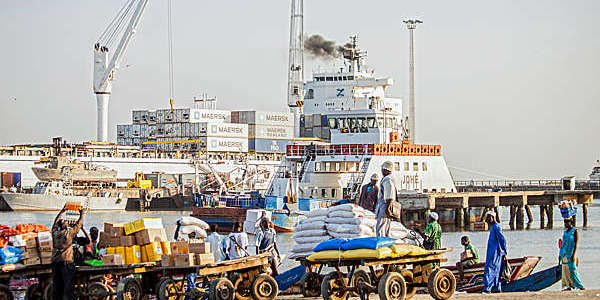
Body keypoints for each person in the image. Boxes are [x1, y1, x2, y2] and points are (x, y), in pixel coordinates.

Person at [51, 205, 85, 300]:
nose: (67, 222)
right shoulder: (69, 233)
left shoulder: (55, 233)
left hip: (55, 262)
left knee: (57, 287)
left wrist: (62, 211)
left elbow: (55, 223)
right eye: (65, 221)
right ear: (64, 225)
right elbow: (79, 224)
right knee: (68, 286)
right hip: (66, 262)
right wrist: (82, 214)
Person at [483, 211, 507, 294]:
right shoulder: (494, 227)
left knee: (490, 269)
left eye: (489, 217)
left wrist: (504, 252)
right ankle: (496, 288)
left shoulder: (496, 227)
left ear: (493, 218)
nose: (487, 219)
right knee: (496, 269)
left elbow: (502, 240)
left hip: (495, 253)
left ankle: (488, 288)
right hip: (493, 252)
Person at [559, 217, 584, 290]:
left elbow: (576, 244)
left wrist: (573, 255)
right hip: (563, 253)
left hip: (571, 253)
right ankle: (568, 286)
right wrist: (559, 255)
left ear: (571, 223)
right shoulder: (565, 232)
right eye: (565, 223)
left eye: (567, 222)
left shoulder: (574, 231)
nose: (565, 224)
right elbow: (563, 243)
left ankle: (579, 286)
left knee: (573, 270)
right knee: (565, 271)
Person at [375, 161, 396, 237]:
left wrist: (387, 209)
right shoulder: (388, 178)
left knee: (381, 227)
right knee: (385, 226)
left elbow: (389, 195)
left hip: (385, 206)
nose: (381, 171)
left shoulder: (387, 179)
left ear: (386, 170)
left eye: (382, 169)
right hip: (384, 206)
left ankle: (381, 243)